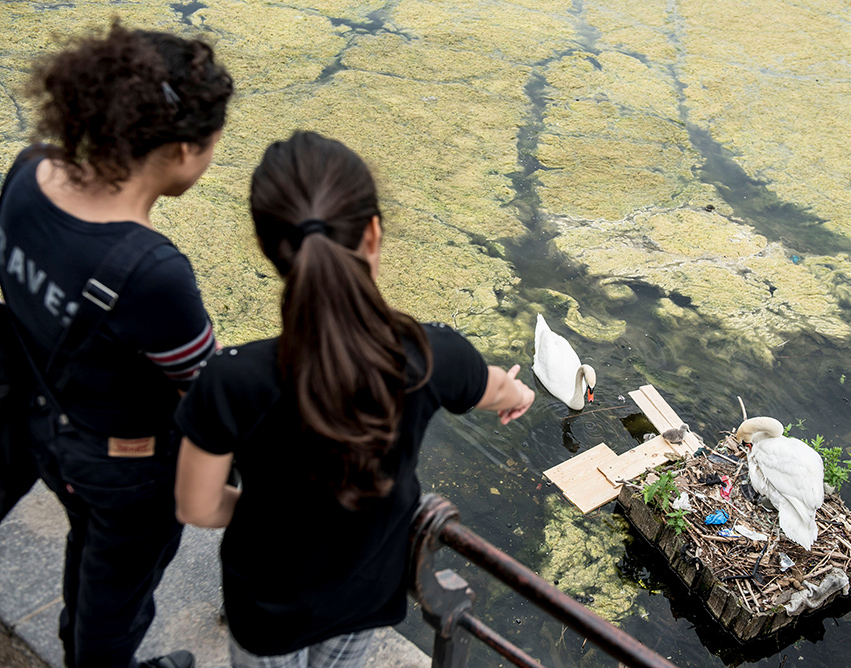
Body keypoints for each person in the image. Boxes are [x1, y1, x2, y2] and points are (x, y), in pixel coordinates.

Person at [174, 130, 535, 668]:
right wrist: (516, 391)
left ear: (268, 246)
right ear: (372, 232)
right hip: (366, 598)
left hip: (268, 609)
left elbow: (196, 506)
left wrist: (271, 512)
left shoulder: (228, 381)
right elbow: (498, 389)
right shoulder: (430, 353)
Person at [0, 23, 233, 668]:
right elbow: (206, 395)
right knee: (111, 600)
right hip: (119, 468)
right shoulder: (153, 272)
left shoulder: (28, 173)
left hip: (32, 416)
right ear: (185, 148)